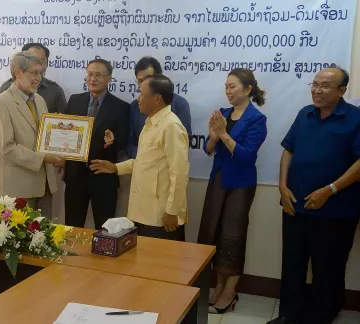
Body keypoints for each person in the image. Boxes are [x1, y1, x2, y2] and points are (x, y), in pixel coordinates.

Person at [269, 68, 360, 324]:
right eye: (315, 84)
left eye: (325, 86)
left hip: (336, 211)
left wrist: (330, 190)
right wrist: (282, 185)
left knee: (328, 269)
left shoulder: (355, 119)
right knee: (293, 264)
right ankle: (288, 315)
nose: (317, 90)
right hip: (296, 206)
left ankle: (321, 316)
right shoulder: (304, 114)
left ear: (342, 91)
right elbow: (289, 150)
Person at [198, 68, 268, 314]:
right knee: (214, 232)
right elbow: (208, 150)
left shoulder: (256, 119)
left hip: (240, 184)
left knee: (233, 237)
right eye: (226, 86)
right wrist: (214, 138)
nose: (228, 91)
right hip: (218, 180)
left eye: (233, 87)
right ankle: (218, 287)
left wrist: (224, 134)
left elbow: (247, 157)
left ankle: (230, 292)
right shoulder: (223, 113)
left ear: (248, 89)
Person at [89, 75, 189, 240]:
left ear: (156, 98)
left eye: (141, 93)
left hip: (161, 216)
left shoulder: (171, 126)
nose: (138, 98)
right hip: (143, 211)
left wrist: (172, 211)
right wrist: (115, 167)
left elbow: (179, 173)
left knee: (161, 264)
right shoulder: (150, 123)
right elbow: (146, 163)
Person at [0, 51, 65, 211]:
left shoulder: (39, 99)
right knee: (21, 235)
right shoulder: (1, 103)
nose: (39, 78)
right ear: (18, 72)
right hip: (18, 187)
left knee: (45, 234)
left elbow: (44, 137)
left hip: (45, 184)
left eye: (41, 73)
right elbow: (7, 147)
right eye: (34, 73)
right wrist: (44, 158)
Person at [63, 59, 129, 230]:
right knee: (72, 227)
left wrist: (112, 141)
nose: (93, 79)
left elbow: (124, 141)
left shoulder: (121, 107)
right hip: (75, 176)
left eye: (98, 75)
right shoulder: (74, 101)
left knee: (105, 228)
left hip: (103, 177)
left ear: (109, 78)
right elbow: (66, 134)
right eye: (90, 74)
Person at [127, 56, 192, 159]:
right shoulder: (134, 107)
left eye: (148, 79)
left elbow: (184, 143)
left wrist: (155, 160)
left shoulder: (179, 104)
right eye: (140, 81)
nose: (144, 84)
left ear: (160, 77)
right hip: (139, 167)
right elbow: (130, 144)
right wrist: (145, 159)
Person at [0, 43, 67, 114]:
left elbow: (63, 121)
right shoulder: (5, 89)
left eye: (41, 61)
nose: (37, 64)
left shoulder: (55, 91)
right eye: (32, 59)